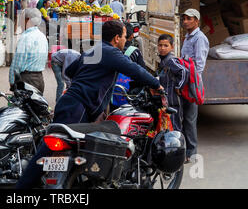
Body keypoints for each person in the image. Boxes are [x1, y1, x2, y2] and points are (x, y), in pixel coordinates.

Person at [16, 20, 164, 189]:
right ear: (116, 38)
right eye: (124, 37)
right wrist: (157, 85)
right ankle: (23, 188)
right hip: (77, 107)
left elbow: (71, 70)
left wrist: (89, 79)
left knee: (70, 151)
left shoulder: (94, 50)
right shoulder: (111, 52)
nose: (125, 40)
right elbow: (135, 70)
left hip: (72, 103)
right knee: (50, 152)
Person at [180, 8, 209, 163]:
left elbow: (199, 65)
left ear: (196, 21)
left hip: (191, 83)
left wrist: (192, 85)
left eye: (189, 19)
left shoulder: (199, 38)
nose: (185, 21)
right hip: (184, 82)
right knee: (182, 117)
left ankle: (191, 152)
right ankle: (183, 150)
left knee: (190, 119)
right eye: (184, 18)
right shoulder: (188, 37)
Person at [9, 8, 48, 94]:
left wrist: (12, 82)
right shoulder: (42, 36)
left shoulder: (26, 37)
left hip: (26, 80)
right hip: (39, 80)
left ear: (27, 20)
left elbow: (17, 64)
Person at [157, 34, 188, 132]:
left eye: (166, 46)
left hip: (173, 101)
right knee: (168, 127)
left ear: (172, 47)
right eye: (160, 45)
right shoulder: (163, 60)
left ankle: (179, 146)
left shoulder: (170, 60)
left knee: (175, 128)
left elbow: (184, 71)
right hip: (167, 101)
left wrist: (179, 87)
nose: (162, 48)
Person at [111, 23, 146, 108]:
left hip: (111, 95)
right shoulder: (134, 52)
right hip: (129, 95)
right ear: (131, 36)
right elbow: (142, 75)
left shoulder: (110, 52)